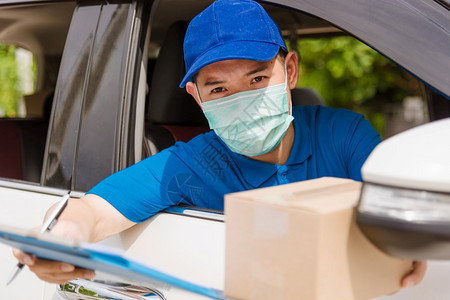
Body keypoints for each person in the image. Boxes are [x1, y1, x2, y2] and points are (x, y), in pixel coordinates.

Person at [14, 0, 426, 288]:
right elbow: (92, 211)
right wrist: (58, 237)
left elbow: (393, 210)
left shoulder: (345, 135)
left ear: (291, 70)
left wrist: (409, 244)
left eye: (257, 79)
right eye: (219, 89)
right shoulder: (189, 165)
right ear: (196, 96)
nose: (242, 99)